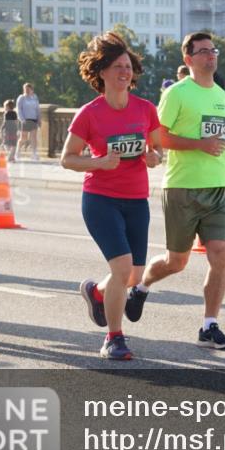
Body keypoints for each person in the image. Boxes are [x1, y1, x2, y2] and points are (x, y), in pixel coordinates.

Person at [134, 32, 225, 350]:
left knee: (219, 254)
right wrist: (199, 145)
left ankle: (209, 326)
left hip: (216, 188)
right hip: (182, 188)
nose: (211, 55)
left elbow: (219, 134)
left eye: (213, 50)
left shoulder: (220, 93)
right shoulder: (176, 93)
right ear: (188, 59)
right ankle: (141, 286)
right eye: (203, 51)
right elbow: (158, 137)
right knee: (176, 262)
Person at [60, 32, 162, 360]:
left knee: (133, 275)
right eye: (117, 66)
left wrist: (154, 157)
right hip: (100, 199)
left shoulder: (145, 109)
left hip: (136, 200)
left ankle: (96, 292)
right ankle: (113, 338)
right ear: (102, 71)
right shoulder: (90, 113)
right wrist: (100, 162)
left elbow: (157, 149)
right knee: (121, 268)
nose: (124, 71)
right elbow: (67, 159)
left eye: (128, 66)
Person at [16, 82, 41, 161]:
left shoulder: (35, 98)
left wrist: (39, 119)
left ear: (32, 90)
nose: (26, 91)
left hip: (33, 119)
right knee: (23, 138)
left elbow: (37, 109)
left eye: (28, 89)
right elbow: (19, 109)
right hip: (25, 119)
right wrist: (22, 119)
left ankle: (34, 154)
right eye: (25, 89)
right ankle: (17, 152)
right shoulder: (21, 98)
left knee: (33, 138)